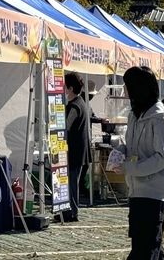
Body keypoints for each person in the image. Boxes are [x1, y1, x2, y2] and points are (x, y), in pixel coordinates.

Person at [115, 66, 164, 260]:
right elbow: (133, 146)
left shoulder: (158, 120)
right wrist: (120, 150)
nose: (124, 90)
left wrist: (131, 167)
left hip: (153, 191)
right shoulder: (134, 115)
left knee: (146, 248)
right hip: (136, 189)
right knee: (150, 247)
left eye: (127, 86)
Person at [58, 72, 91, 222]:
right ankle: (69, 211)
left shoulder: (74, 106)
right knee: (72, 183)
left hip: (74, 151)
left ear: (70, 88)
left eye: (65, 86)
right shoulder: (81, 103)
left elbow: (66, 125)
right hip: (79, 151)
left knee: (71, 183)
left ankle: (71, 213)